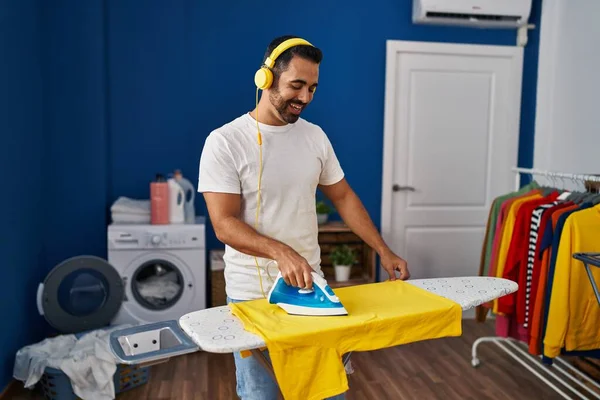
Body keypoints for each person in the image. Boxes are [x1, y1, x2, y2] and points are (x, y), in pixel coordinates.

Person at [197, 35, 410, 400]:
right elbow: (224, 223)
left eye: (312, 88)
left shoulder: (315, 138)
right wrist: (281, 252)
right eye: (297, 85)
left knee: (328, 393)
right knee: (263, 395)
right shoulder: (225, 141)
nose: (305, 98)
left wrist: (382, 250)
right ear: (266, 78)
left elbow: (343, 197)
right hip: (253, 298)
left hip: (311, 290)